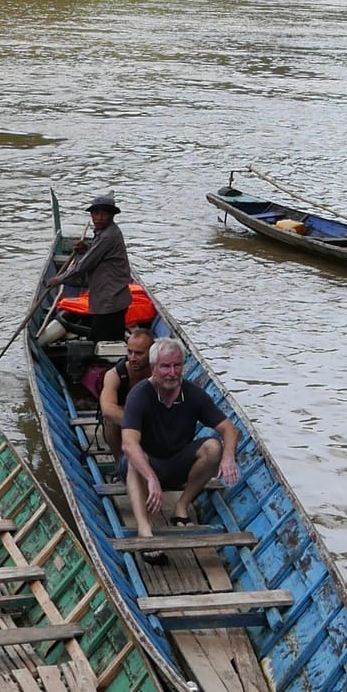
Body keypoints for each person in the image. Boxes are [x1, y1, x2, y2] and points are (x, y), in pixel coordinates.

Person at [121, 336, 240, 535]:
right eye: (165, 367)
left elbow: (229, 429)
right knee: (135, 458)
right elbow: (128, 445)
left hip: (177, 463)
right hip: (147, 466)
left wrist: (229, 457)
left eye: (177, 366)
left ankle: (181, 506)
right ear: (153, 368)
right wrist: (151, 478)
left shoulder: (192, 394)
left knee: (213, 447)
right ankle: (144, 527)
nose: (172, 373)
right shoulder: (139, 394)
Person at [64, 195, 133, 345]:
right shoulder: (104, 233)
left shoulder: (107, 236)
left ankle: (105, 365)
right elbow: (99, 254)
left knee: (102, 340)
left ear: (112, 216)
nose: (99, 218)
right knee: (108, 337)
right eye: (96, 214)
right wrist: (86, 248)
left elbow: (83, 266)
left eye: (104, 214)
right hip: (111, 297)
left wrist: (60, 279)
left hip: (110, 300)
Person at [97, 324, 155, 446]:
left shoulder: (160, 372)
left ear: (152, 352)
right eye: (130, 352)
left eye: (139, 353)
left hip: (151, 416)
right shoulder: (114, 375)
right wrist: (139, 424)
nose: (132, 358)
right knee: (110, 420)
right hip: (127, 419)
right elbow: (107, 409)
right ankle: (120, 462)